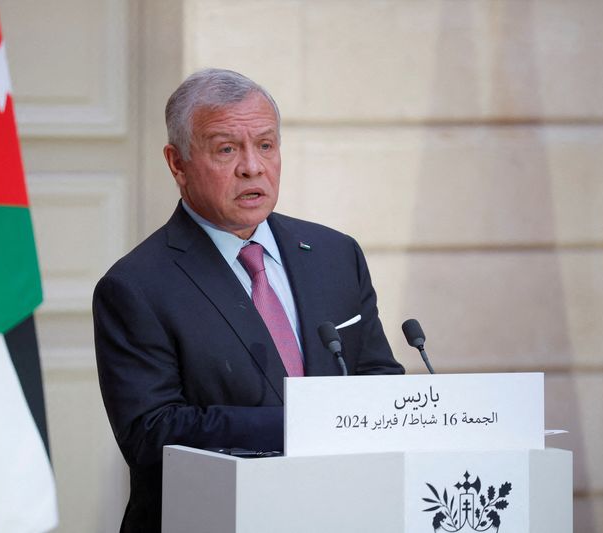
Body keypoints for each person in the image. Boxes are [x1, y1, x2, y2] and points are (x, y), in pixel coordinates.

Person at [93, 68, 404, 532]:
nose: (252, 167)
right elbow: (151, 432)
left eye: (266, 144)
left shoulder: (336, 255)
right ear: (177, 163)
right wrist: (302, 424)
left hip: (342, 512)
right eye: (226, 149)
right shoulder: (136, 286)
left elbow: (377, 377)